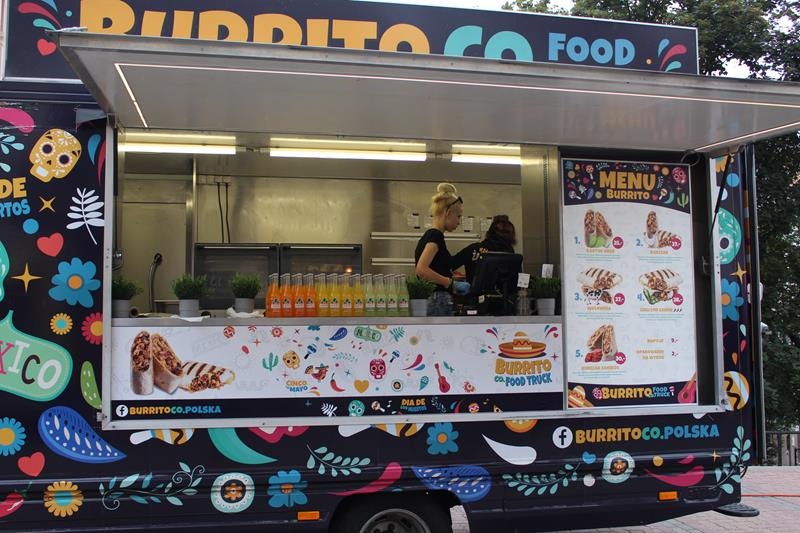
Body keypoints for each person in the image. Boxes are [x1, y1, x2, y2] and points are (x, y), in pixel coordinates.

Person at [414, 183, 471, 315]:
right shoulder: (436, 236)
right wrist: (449, 283)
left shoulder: (430, 236)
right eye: (458, 216)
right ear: (448, 213)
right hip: (438, 300)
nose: (459, 222)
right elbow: (421, 270)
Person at [452, 214, 517, 284]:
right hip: (504, 291)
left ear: (489, 233)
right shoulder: (509, 253)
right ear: (511, 237)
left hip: (475, 290)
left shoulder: (474, 248)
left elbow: (450, 265)